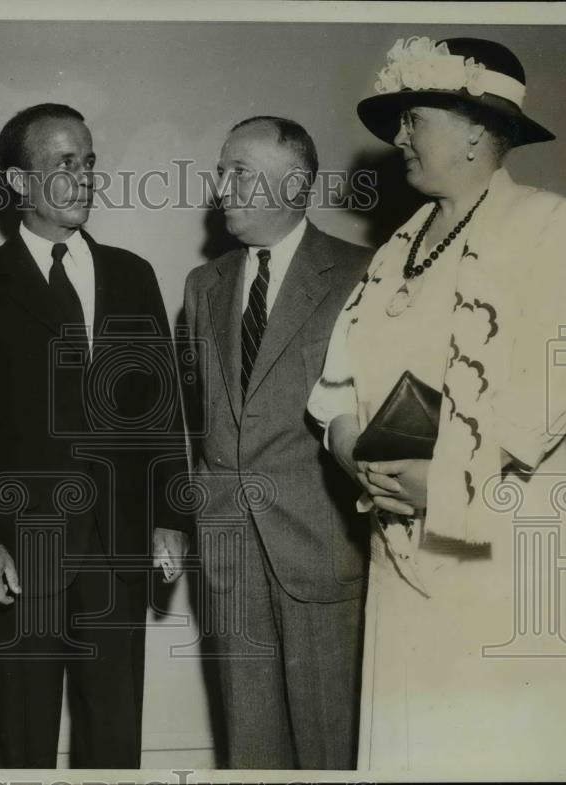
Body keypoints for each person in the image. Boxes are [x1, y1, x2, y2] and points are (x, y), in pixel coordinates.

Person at [308, 37, 566, 777]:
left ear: (478, 129)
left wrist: (438, 480)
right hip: (402, 543)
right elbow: (340, 381)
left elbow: (550, 386)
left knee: (498, 741)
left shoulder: (547, 223)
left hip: (503, 541)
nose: (399, 138)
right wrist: (355, 455)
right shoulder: (396, 250)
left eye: (414, 119)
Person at [0, 103, 192, 768]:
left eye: (87, 163)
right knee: (18, 741)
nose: (82, 178)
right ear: (20, 183)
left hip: (117, 546)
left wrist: (171, 515)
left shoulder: (132, 275)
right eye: (62, 164)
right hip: (20, 553)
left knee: (113, 740)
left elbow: (161, 410)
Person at [182, 116, 372, 769]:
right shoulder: (202, 286)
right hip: (229, 554)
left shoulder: (361, 275)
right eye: (222, 168)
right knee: (251, 745)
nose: (221, 185)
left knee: (331, 741)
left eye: (239, 170)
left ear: (293, 184)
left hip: (322, 549)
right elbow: (197, 416)